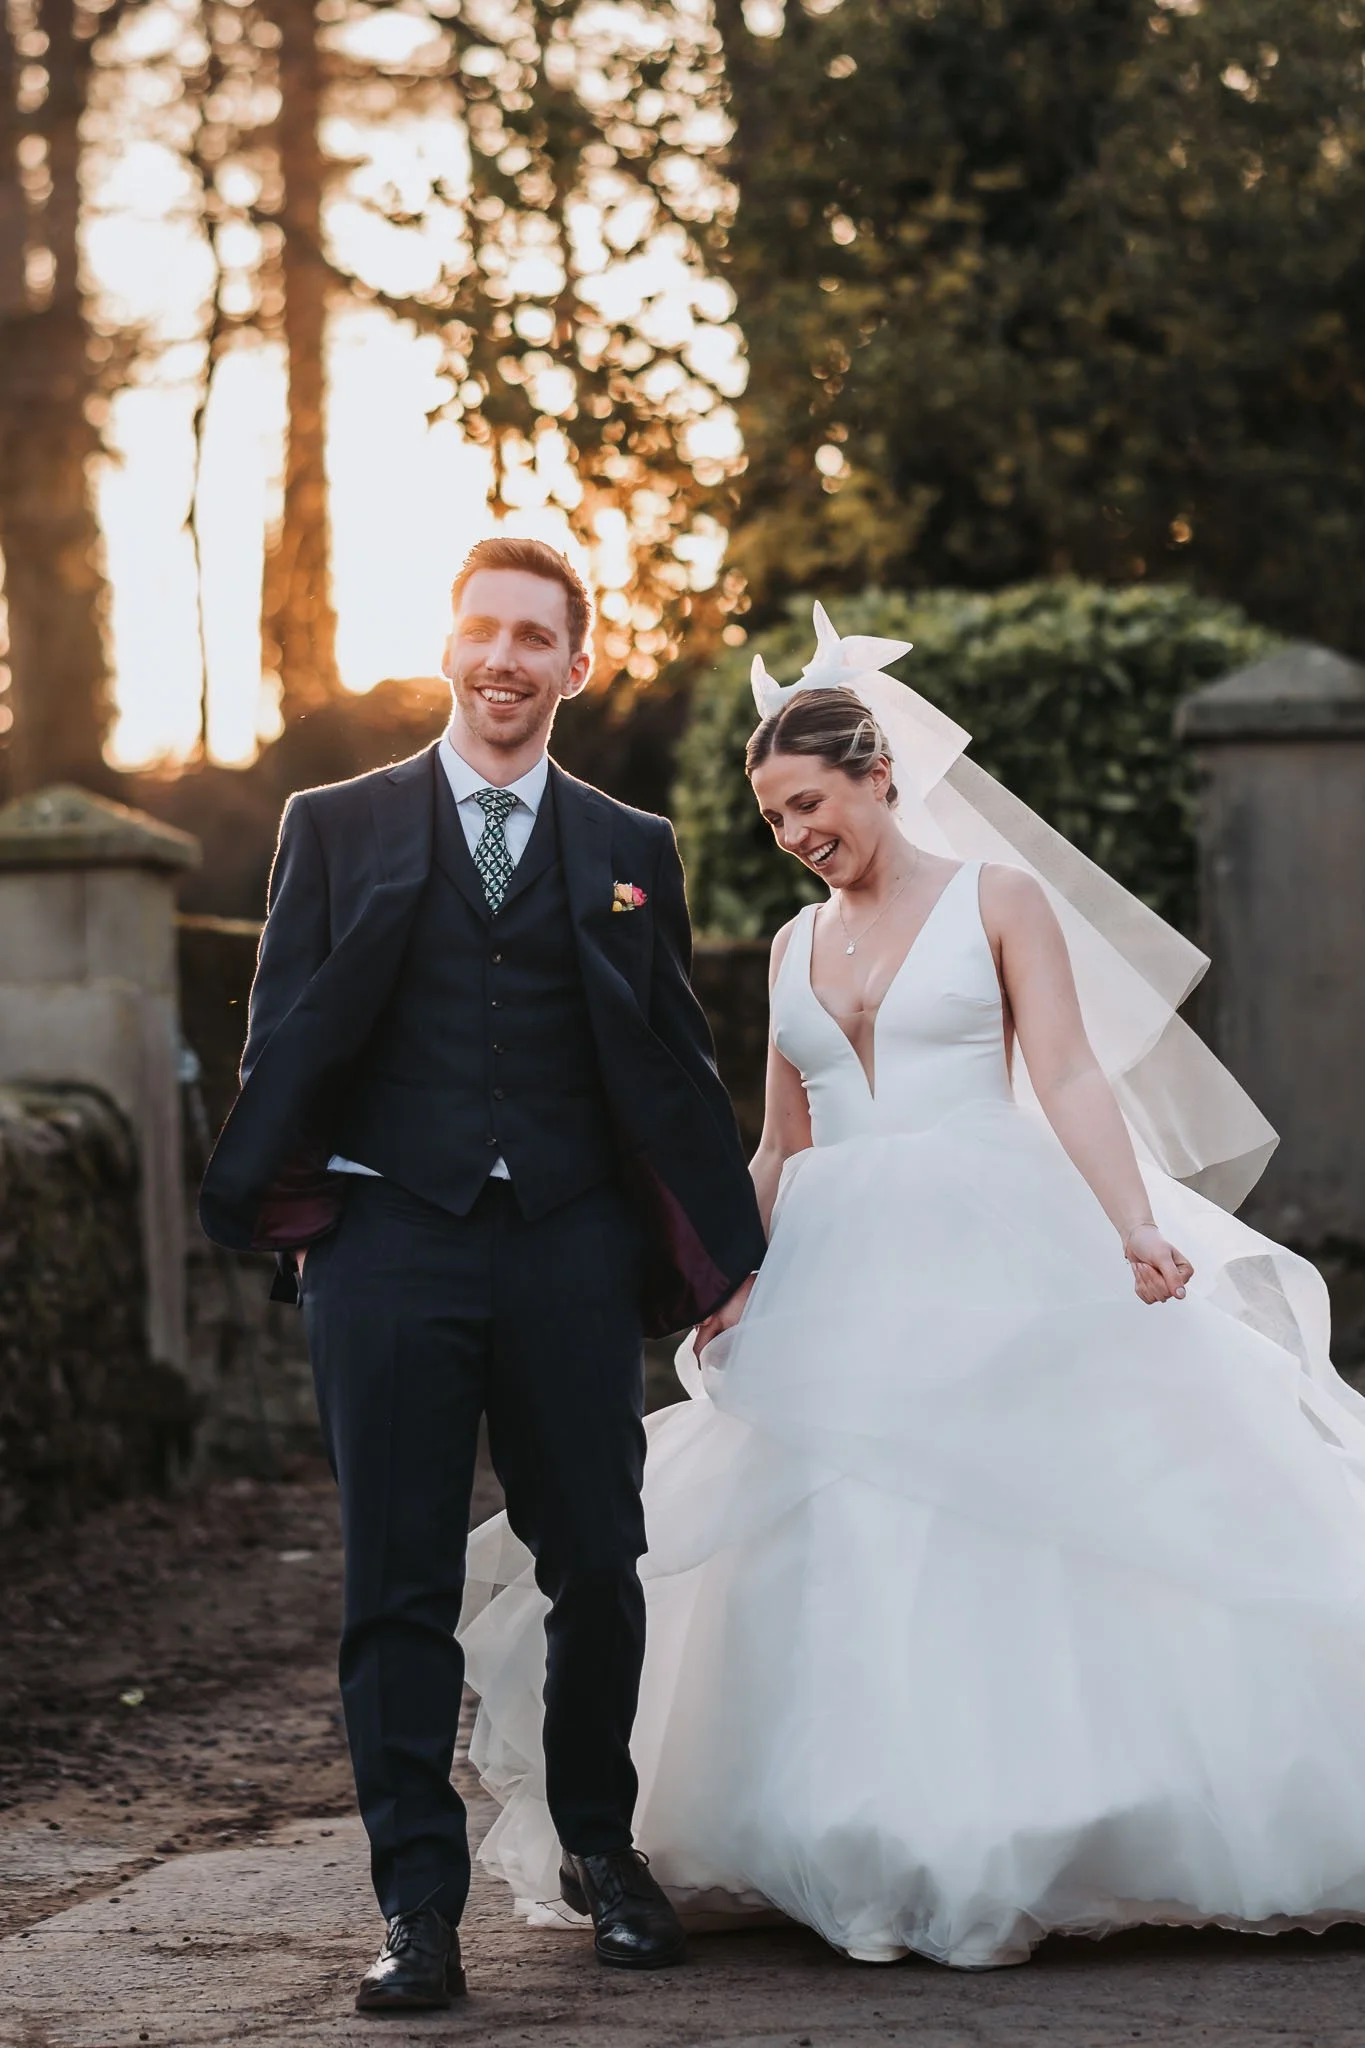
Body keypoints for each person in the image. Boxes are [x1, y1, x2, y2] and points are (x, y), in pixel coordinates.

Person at [460, 604, 1365, 1970]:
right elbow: (780, 1138)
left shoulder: (997, 902)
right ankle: (848, 1817)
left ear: (880, 773)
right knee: (845, 1530)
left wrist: (1131, 1225)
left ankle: (1051, 1816)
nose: (795, 835)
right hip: (835, 1259)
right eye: (771, 820)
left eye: (809, 802)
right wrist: (723, 1277)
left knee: (1029, 1509)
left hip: (996, 1232)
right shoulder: (790, 950)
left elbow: (1063, 1072)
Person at [198, 537, 766, 2012]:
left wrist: (721, 1252)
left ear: (579, 665)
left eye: (537, 637)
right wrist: (298, 1211)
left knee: (599, 1566)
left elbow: (675, 1064)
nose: (506, 659)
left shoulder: (632, 847)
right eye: (484, 631)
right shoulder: (336, 823)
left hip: (573, 1245)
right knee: (392, 1585)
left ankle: (603, 1851)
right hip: (390, 1246)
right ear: (448, 648)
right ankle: (418, 1910)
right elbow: (283, 1036)